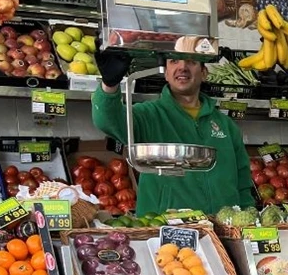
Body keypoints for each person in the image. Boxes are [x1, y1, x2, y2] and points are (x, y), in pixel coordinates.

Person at [92, 53, 256, 216]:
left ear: (204, 73)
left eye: (191, 62)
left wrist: (248, 219)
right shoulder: (149, 115)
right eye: (174, 61)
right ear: (166, 73)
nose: (182, 67)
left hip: (222, 229)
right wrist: (109, 85)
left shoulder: (226, 126)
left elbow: (243, 182)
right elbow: (107, 120)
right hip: (164, 228)